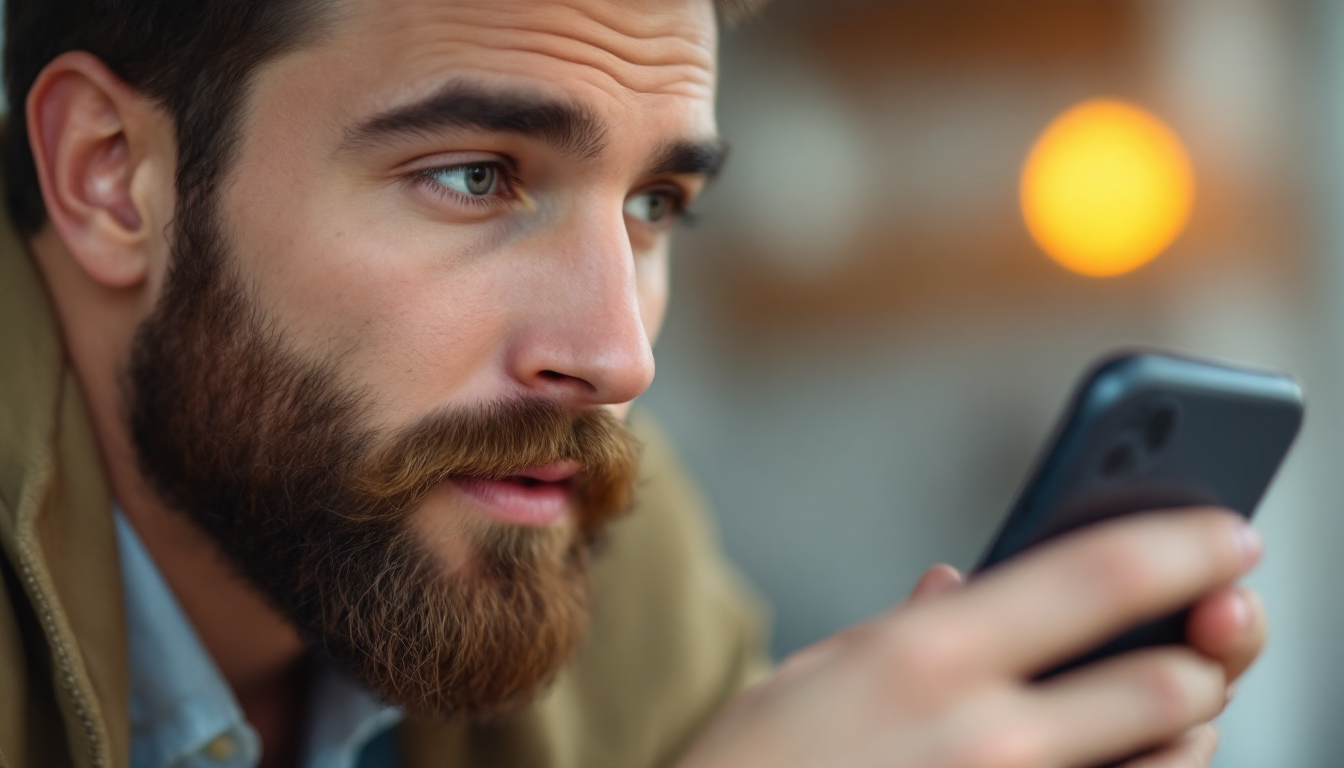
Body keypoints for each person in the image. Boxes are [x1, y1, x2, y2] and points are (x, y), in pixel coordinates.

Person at [0, 0, 1267, 766]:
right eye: (475, 176)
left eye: (658, 204)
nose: (618, 357)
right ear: (116, 174)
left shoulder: (606, 573)